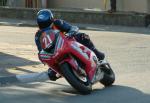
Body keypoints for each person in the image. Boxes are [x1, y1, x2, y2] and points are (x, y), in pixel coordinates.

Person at [35, 9, 105, 81]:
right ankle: (71, 76)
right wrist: (42, 57)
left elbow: (71, 28)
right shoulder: (38, 35)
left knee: (83, 37)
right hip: (54, 54)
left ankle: (97, 54)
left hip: (67, 43)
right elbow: (41, 50)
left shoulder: (57, 22)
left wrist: (71, 32)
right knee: (51, 75)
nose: (43, 24)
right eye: (42, 23)